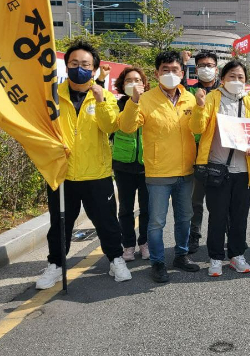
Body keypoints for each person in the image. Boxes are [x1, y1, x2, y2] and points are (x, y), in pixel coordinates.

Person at [36, 40, 130, 289]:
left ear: (95, 69)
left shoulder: (106, 96)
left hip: (96, 174)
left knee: (107, 222)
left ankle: (115, 259)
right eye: (74, 63)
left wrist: (100, 101)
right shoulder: (52, 95)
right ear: (66, 66)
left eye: (85, 64)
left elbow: (111, 126)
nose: (80, 68)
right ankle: (56, 264)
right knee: (59, 224)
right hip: (62, 173)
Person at [119, 50, 200, 283]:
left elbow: (198, 128)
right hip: (158, 172)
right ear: (156, 74)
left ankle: (181, 256)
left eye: (175, 70)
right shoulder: (145, 99)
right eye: (165, 70)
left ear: (182, 73)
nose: (171, 74)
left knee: (185, 218)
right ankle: (157, 262)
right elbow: (126, 127)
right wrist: (133, 101)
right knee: (156, 221)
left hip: (186, 170)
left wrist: (202, 108)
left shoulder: (190, 99)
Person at [190, 59, 250, 277]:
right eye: (232, 76)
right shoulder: (212, 98)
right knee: (217, 215)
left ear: (246, 81)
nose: (236, 80)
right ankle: (215, 257)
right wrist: (200, 106)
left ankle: (237, 254)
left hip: (244, 170)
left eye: (240, 77)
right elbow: (197, 128)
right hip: (217, 168)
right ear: (223, 78)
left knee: (239, 216)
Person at [181, 51, 221, 254]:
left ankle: (220, 237)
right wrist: (181, 62)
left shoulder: (224, 92)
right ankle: (193, 236)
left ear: (217, 68)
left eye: (210, 65)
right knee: (195, 201)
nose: (207, 68)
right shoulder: (188, 93)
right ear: (196, 69)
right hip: (195, 155)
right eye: (202, 65)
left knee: (219, 201)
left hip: (219, 155)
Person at [112, 66, 150, 262]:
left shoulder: (150, 104)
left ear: (144, 84)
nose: (133, 84)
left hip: (147, 165)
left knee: (147, 208)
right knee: (126, 209)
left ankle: (144, 242)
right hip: (123, 164)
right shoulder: (116, 105)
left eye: (137, 80)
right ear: (122, 84)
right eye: (129, 80)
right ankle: (128, 245)